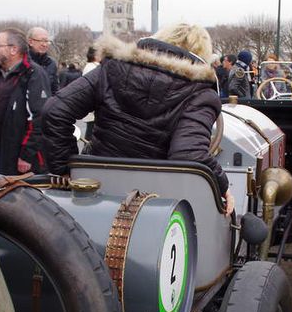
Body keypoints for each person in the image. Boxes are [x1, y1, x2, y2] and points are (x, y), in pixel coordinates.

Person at [41, 23, 234, 215]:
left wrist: (67, 170)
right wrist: (222, 185)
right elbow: (188, 153)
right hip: (154, 202)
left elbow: (55, 111)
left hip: (92, 188)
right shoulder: (200, 92)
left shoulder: (113, 67)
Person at [0, 28, 50, 174]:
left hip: (19, 159)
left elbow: (39, 117)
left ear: (13, 49)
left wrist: (26, 155)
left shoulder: (33, 74)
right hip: (0, 154)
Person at [27, 26, 59, 96]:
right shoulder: (22, 62)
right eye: (41, 41)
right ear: (30, 42)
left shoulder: (51, 63)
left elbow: (55, 90)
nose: (45, 44)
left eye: (47, 41)